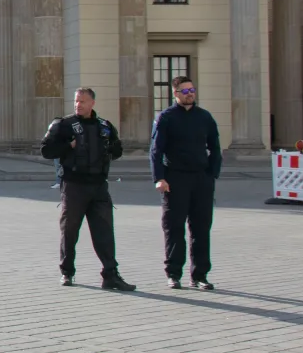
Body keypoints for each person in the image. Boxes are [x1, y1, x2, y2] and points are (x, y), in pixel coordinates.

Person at [42, 87, 135, 291]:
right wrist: (68, 147)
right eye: (76, 101)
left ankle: (110, 274)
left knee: (104, 232)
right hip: (74, 186)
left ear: (92, 103)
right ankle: (67, 272)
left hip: (99, 187)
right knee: (70, 231)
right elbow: (46, 150)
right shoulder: (64, 125)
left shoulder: (105, 126)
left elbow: (117, 149)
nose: (78, 105)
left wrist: (110, 149)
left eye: (83, 101)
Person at [150, 75, 222, 290]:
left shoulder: (205, 117)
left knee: (201, 228)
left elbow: (215, 147)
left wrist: (212, 174)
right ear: (175, 94)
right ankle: (174, 273)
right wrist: (159, 178)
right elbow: (156, 150)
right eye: (184, 91)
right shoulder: (166, 118)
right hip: (175, 179)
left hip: (201, 178)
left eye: (192, 90)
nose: (190, 94)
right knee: (174, 228)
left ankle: (200, 275)